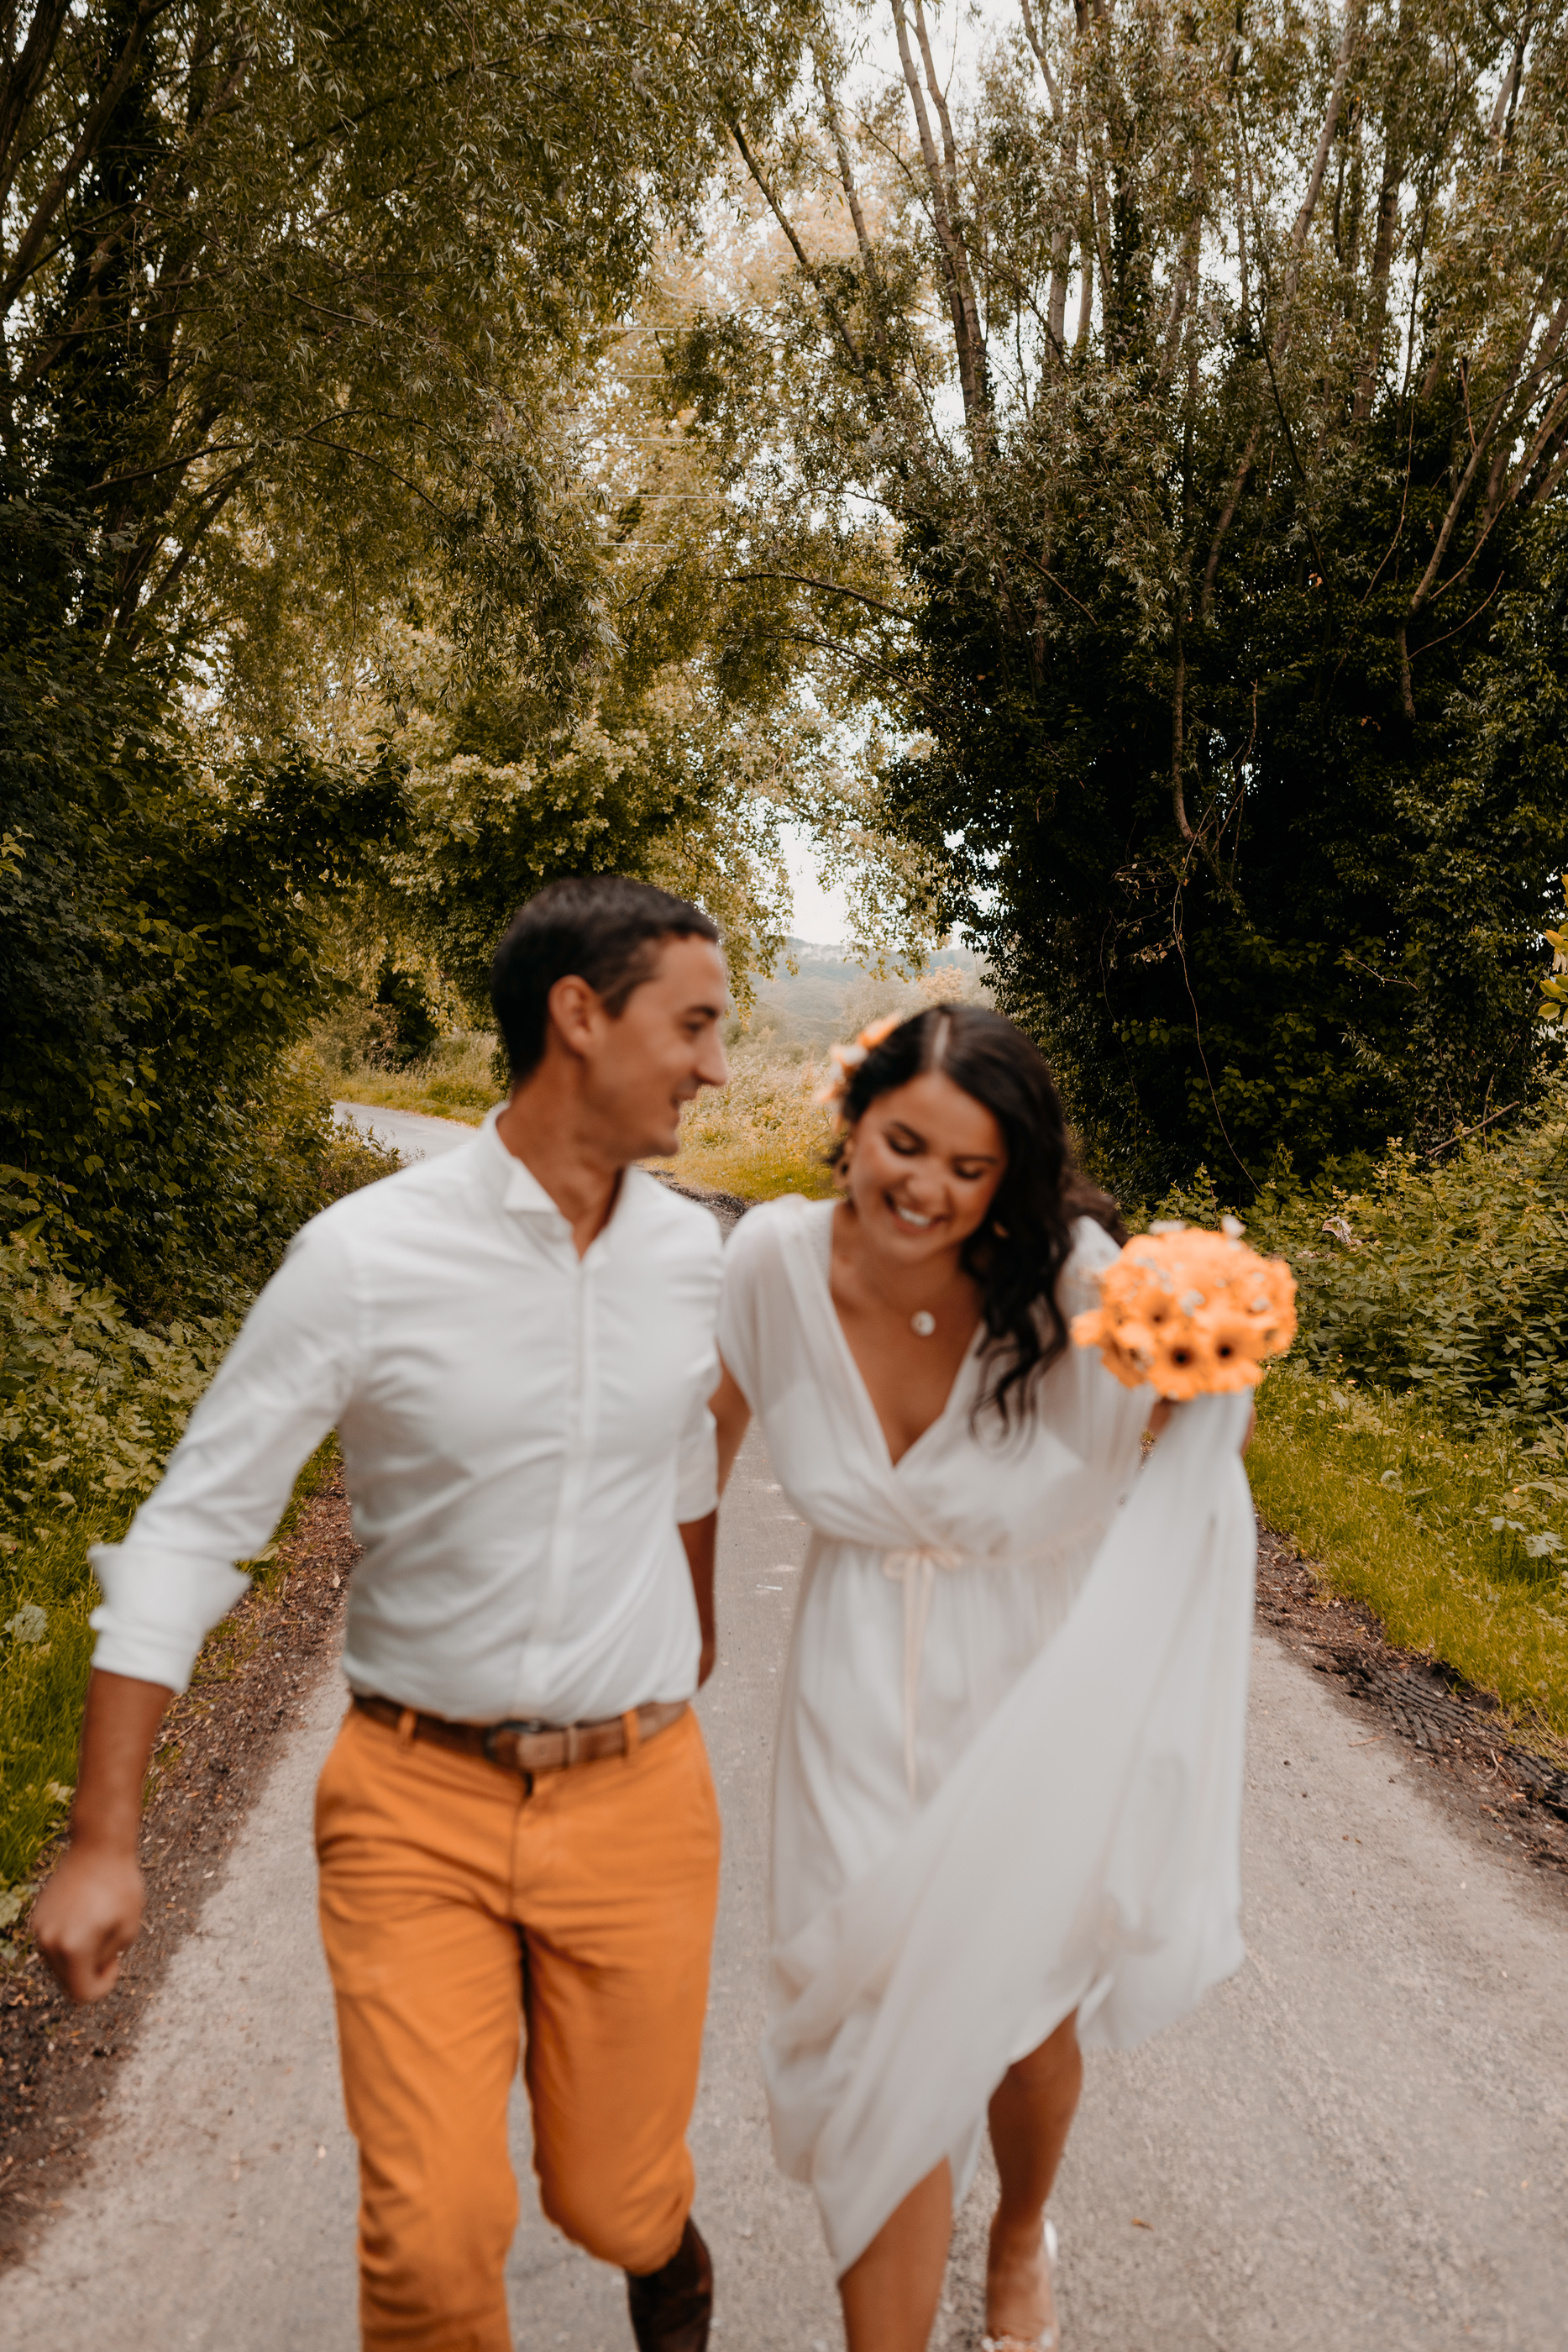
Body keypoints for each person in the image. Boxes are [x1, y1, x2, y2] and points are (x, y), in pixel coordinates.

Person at [33, 875, 735, 2352]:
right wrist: (105, 1842)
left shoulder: (696, 1259)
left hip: (638, 1801)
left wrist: (697, 1617)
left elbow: (684, 1455)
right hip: (415, 1803)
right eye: (693, 1025)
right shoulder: (362, 1259)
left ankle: (658, 2249)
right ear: (578, 1016)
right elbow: (192, 1532)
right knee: (427, 2245)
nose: (717, 1065)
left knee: (610, 2202)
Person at [711, 1005, 1257, 2352]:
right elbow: (694, 1447)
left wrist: (1201, 1364)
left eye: (972, 1169)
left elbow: (1167, 1446)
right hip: (847, 1683)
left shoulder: (1076, 1278)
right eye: (906, 1145)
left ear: (1013, 1174)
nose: (929, 1189)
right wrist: (674, 1632)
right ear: (852, 1123)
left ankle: (1017, 2228)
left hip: (1031, 1684)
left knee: (1020, 2018)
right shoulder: (772, 1261)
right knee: (866, 2022)